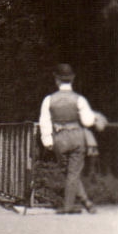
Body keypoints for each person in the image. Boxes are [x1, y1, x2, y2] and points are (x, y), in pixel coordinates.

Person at [38, 63, 99, 214]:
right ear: (72, 79)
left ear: (56, 80)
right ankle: (71, 206)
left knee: (69, 172)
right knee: (73, 172)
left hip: (60, 138)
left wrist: (47, 141)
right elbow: (88, 121)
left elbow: (44, 121)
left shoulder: (49, 100)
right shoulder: (79, 99)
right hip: (77, 137)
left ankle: (84, 202)